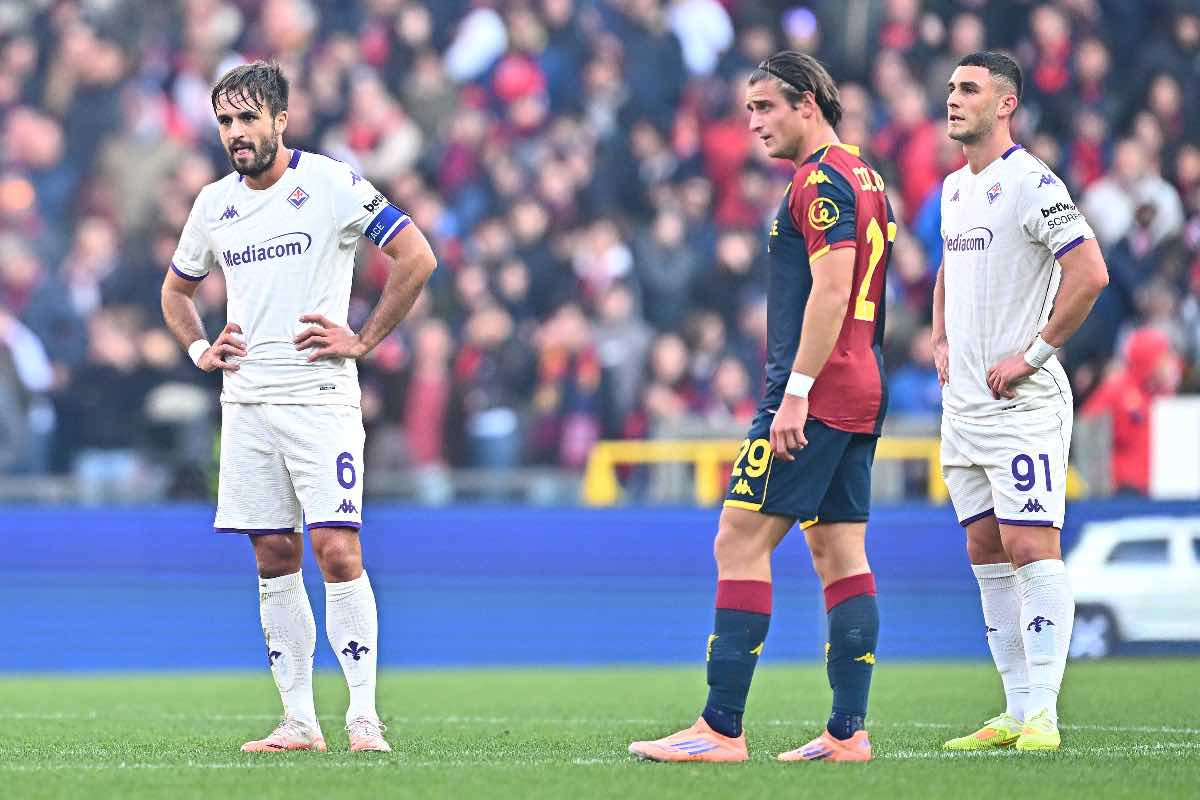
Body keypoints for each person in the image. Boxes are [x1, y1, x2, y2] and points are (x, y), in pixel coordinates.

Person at [160, 62, 436, 753]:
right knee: (273, 554)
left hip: (319, 396)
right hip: (247, 401)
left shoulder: (332, 183)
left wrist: (364, 338)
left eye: (248, 118)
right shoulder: (213, 204)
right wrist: (199, 352)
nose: (235, 133)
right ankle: (299, 722)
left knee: (337, 549)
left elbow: (416, 257)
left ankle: (364, 715)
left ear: (282, 119)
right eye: (225, 121)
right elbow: (176, 291)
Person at [628, 50, 894, 764]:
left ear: (808, 102)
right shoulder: (866, 174)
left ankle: (720, 728)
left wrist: (797, 393)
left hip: (818, 390)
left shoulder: (819, 183)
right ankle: (848, 733)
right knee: (838, 550)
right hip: (862, 383)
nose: (753, 124)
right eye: (748, 111)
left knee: (738, 539)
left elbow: (833, 291)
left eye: (765, 107)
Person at [933, 52, 1109, 753]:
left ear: (1004, 105)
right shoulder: (952, 189)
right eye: (950, 88)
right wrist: (942, 339)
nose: (953, 99)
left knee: (1031, 544)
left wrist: (1034, 354)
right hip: (966, 409)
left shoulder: (1033, 183)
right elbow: (950, 265)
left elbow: (1088, 271)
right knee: (984, 548)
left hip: (1023, 403)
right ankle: (1012, 709)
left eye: (969, 89)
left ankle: (1044, 714)